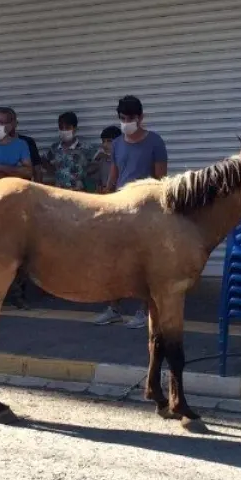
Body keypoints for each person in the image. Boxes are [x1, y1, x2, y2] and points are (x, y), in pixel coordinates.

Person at [95, 95, 168, 328]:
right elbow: (114, 175)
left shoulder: (155, 142)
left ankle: (143, 310)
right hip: (119, 208)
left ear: (141, 117)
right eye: (123, 118)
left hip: (145, 211)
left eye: (131, 118)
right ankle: (113, 308)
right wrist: (106, 196)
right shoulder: (116, 144)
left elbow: (160, 180)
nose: (126, 122)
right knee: (114, 260)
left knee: (142, 263)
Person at [0, 106, 34, 308]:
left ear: (11, 124)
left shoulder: (21, 145)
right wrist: (14, 171)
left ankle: (18, 294)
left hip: (15, 205)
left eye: (0, 122)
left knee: (17, 250)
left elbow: (28, 172)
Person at [45, 111, 97, 192]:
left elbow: (97, 163)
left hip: (79, 193)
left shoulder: (85, 148)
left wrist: (83, 173)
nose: (64, 130)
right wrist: (56, 172)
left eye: (67, 128)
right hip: (59, 192)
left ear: (75, 129)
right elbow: (45, 162)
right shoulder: (54, 148)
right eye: (61, 128)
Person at [89, 125, 122, 193]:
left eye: (109, 141)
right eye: (103, 141)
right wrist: (96, 159)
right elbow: (89, 173)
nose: (104, 145)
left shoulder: (124, 159)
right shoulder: (102, 159)